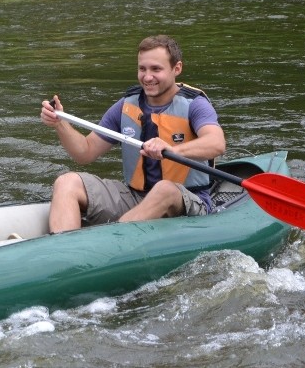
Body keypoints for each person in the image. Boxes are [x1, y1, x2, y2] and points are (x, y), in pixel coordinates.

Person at [40, 35, 226, 232]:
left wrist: (172, 149)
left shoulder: (194, 104)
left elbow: (216, 143)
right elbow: (85, 152)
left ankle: (112, 242)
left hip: (187, 201)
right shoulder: (126, 105)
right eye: (142, 69)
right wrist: (60, 124)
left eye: (156, 69)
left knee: (163, 189)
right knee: (66, 182)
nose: (147, 77)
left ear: (176, 69)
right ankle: (65, 251)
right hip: (135, 197)